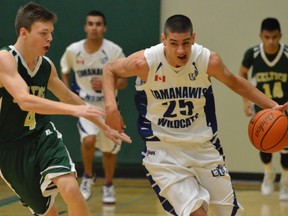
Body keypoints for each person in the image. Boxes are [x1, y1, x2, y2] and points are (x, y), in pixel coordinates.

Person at [102, 14, 288, 216]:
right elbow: (109, 70)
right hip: (163, 151)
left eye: (186, 43)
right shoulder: (145, 62)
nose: (181, 50)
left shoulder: (207, 61)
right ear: (164, 40)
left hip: (204, 147)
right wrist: (111, 108)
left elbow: (235, 82)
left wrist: (273, 106)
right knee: (196, 214)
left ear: (193, 38)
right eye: (174, 43)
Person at [0, 2, 130, 216]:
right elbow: (24, 100)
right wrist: (74, 111)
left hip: (42, 136)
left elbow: (69, 96)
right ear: (24, 33)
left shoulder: (46, 66)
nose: (50, 38)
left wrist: (104, 125)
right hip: (10, 148)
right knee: (48, 212)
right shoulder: (5, 59)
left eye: (51, 33)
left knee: (71, 188)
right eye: (43, 33)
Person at [60, 10, 127, 203]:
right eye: (90, 24)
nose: (94, 28)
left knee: (109, 150)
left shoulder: (114, 50)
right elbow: (64, 71)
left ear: (104, 28)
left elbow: (124, 81)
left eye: (98, 24)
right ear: (85, 27)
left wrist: (110, 83)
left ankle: (108, 185)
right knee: (88, 141)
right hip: (85, 104)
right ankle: (88, 177)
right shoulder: (73, 50)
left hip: (108, 105)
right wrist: (69, 96)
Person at [239, 17, 288, 200]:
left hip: (284, 108)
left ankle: (285, 181)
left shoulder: (286, 54)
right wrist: (245, 101)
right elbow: (242, 74)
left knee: (286, 150)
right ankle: (268, 174)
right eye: (267, 37)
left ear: (280, 36)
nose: (270, 41)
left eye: (274, 37)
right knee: (264, 144)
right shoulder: (252, 54)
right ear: (261, 36)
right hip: (264, 108)